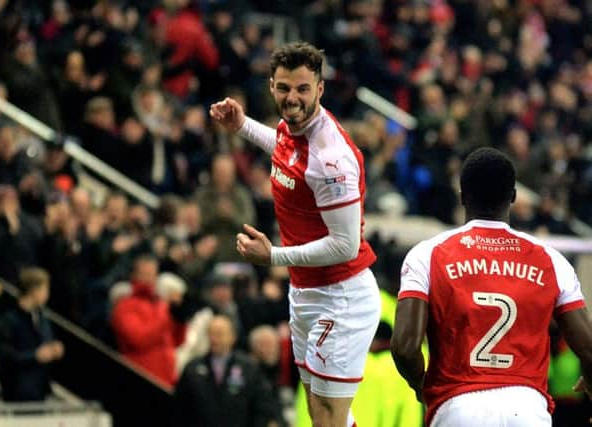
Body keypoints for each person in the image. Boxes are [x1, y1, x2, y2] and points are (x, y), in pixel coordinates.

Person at [210, 41, 380, 427]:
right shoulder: (294, 129)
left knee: (328, 420)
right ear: (271, 86)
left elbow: (345, 244)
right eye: (284, 88)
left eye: (303, 89)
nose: (293, 98)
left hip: (341, 296)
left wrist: (274, 257)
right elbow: (284, 148)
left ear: (320, 89)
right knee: (318, 412)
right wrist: (242, 126)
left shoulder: (331, 159)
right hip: (305, 290)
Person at [390, 147, 592, 427]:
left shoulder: (428, 254)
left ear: (461, 195)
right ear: (513, 196)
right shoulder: (551, 260)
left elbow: (404, 347)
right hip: (528, 408)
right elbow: (588, 348)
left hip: (458, 405)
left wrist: (420, 385)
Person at [172, 315, 281, 427]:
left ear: (232, 337)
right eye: (211, 334)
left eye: (219, 334)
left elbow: (262, 407)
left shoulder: (249, 368)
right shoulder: (193, 369)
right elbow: (180, 410)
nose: (214, 339)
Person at [110, 254, 187, 387]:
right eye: (144, 274)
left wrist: (180, 321)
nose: (149, 279)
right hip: (140, 380)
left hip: (166, 379)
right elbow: (138, 340)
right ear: (134, 275)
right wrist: (169, 318)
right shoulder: (125, 306)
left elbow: (177, 341)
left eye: (152, 274)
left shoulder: (161, 304)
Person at [0, 267, 64, 401]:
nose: (47, 294)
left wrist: (53, 349)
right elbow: (5, 357)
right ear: (33, 290)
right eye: (45, 289)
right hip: (17, 392)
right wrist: (35, 356)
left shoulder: (43, 317)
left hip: (41, 390)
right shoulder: (9, 320)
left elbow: (46, 342)